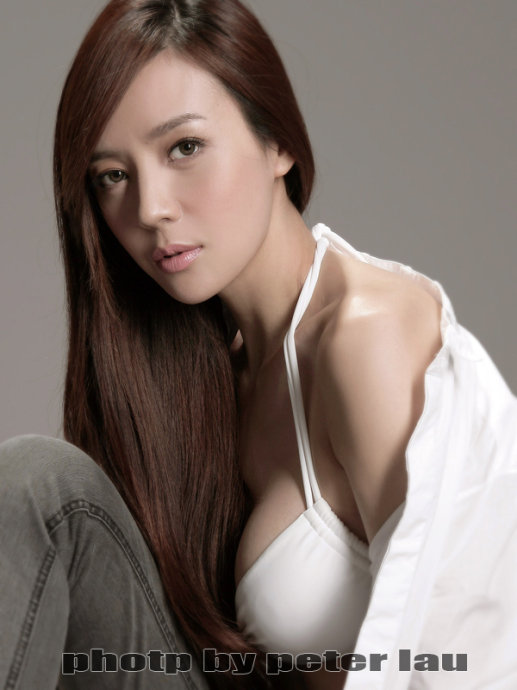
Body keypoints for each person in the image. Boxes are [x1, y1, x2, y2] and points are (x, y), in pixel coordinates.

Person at [1, 1, 516, 689]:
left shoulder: (366, 334)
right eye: (112, 176)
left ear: (278, 144)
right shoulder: (208, 372)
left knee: (37, 480)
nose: (150, 208)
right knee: (42, 488)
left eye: (184, 148)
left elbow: (467, 646)